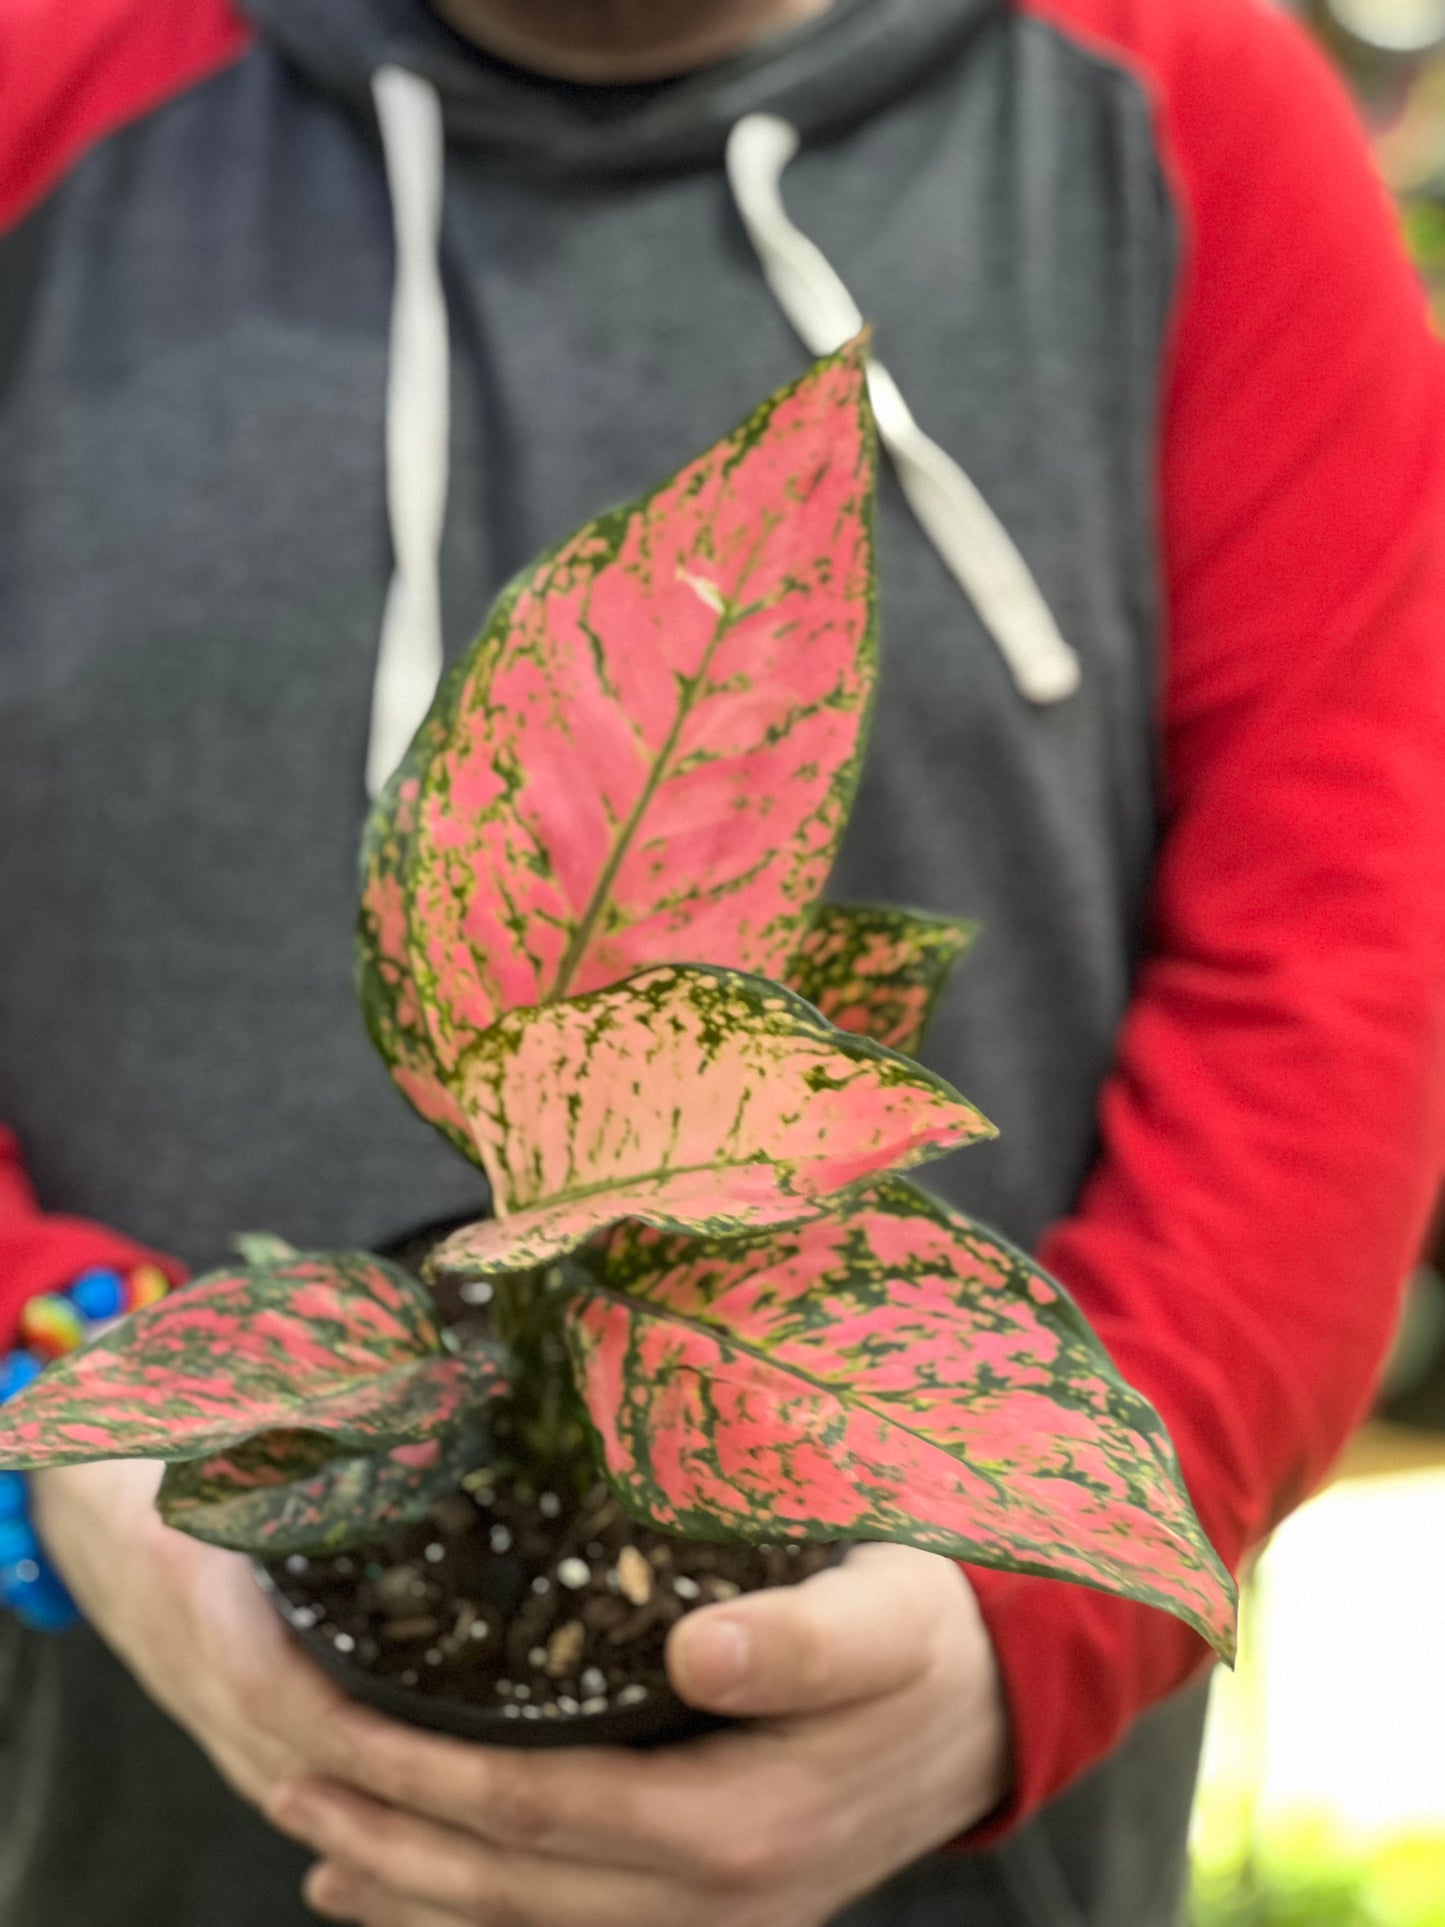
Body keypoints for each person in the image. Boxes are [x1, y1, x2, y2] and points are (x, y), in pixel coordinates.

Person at [2, 0, 1443, 1921]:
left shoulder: (1185, 110)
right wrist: (57, 1411)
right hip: (114, 1811)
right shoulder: (50, 80)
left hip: (943, 1821)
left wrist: (1038, 1624)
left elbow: (1349, 949)